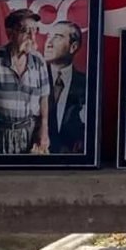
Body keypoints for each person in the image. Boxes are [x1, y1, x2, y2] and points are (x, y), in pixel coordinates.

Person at [0, 7, 50, 154]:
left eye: (34, 30)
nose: (31, 36)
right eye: (25, 30)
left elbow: (44, 98)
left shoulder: (38, 61)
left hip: (28, 134)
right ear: (10, 33)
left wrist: (44, 129)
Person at [43, 20, 87, 154]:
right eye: (48, 37)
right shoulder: (33, 78)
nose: (48, 43)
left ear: (73, 47)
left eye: (57, 37)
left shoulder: (87, 84)